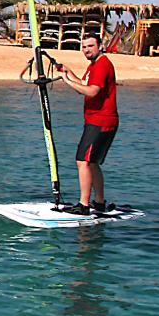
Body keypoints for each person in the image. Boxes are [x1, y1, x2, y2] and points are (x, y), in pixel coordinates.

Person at [54, 36, 119, 214]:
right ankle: (98, 202)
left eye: (90, 46)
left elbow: (92, 91)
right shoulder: (94, 65)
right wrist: (67, 72)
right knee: (92, 162)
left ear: (100, 46)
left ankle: (84, 205)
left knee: (83, 160)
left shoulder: (103, 65)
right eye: (83, 47)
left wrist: (67, 82)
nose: (87, 50)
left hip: (101, 121)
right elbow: (84, 83)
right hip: (97, 120)